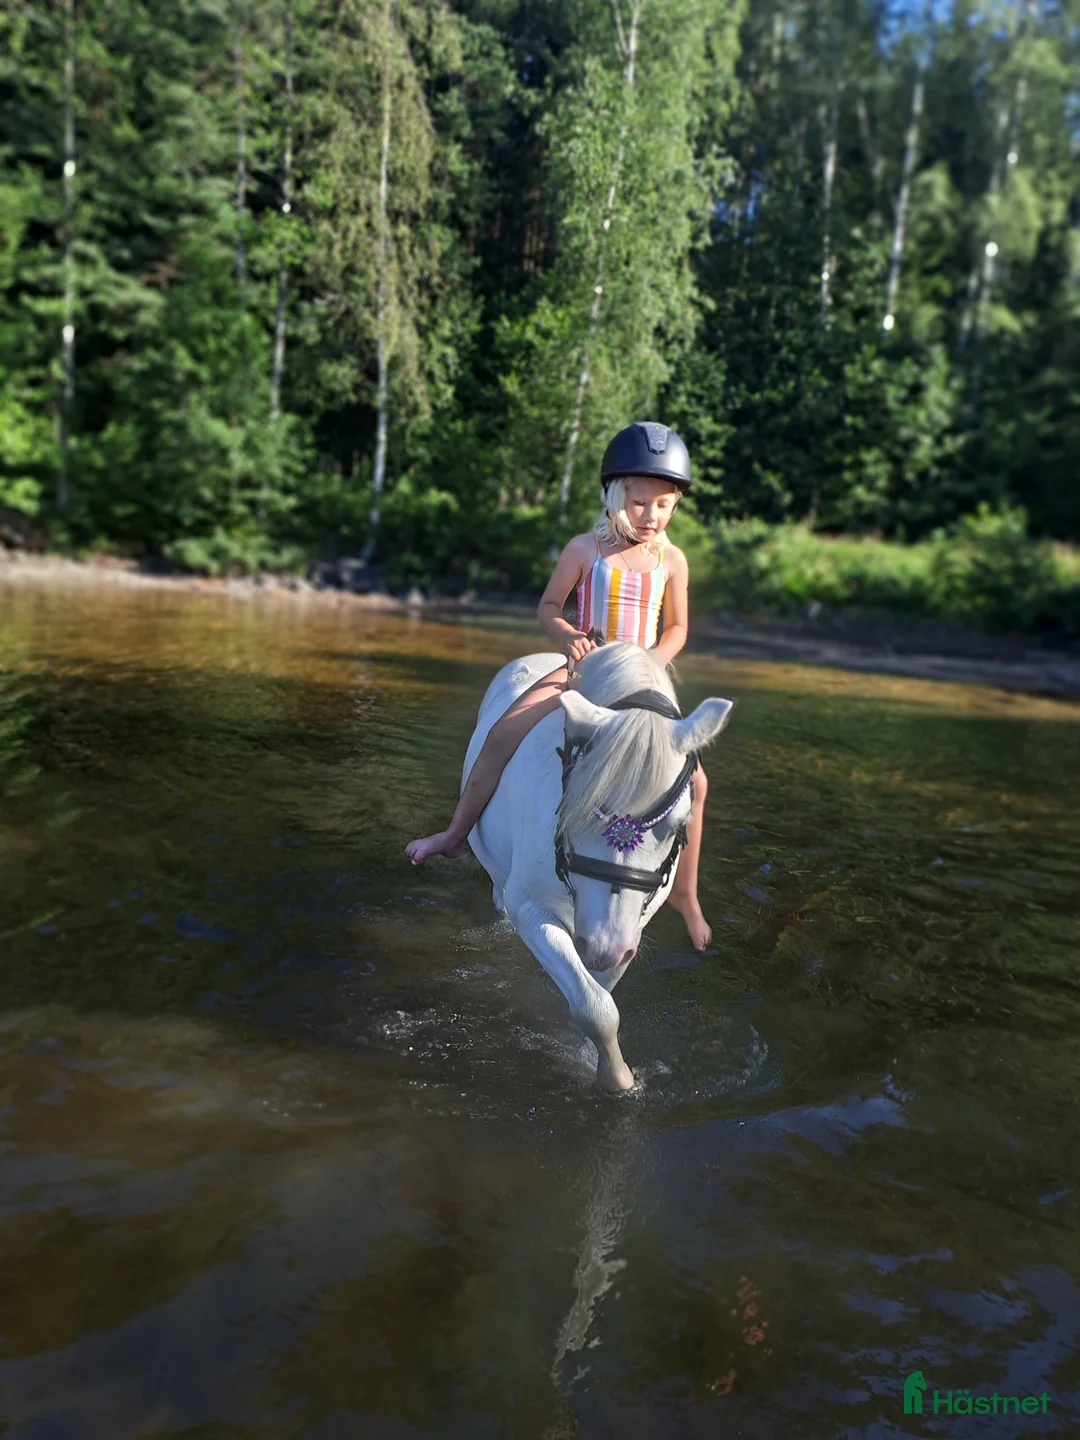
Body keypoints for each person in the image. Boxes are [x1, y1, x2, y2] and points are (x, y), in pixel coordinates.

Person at [405, 421, 712, 951]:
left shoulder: (673, 561)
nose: (651, 516)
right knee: (504, 732)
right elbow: (548, 607)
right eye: (640, 503)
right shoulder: (585, 550)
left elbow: (679, 628)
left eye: (664, 506)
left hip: (640, 683)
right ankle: (456, 835)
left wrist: (654, 663)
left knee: (698, 784)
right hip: (585, 670)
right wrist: (570, 636)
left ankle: (685, 892)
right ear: (616, 495)